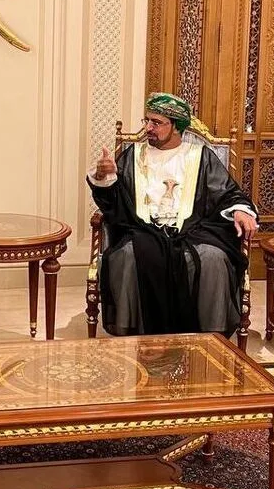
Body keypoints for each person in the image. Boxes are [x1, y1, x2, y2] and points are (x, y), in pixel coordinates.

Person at [88, 92, 258, 338]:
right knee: (126, 256)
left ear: (176, 126)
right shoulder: (134, 155)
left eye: (156, 123)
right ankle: (134, 339)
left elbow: (228, 193)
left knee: (214, 258)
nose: (148, 128)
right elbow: (114, 202)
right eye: (147, 120)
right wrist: (104, 177)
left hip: (192, 231)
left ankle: (209, 341)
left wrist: (241, 210)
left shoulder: (200, 156)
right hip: (144, 230)